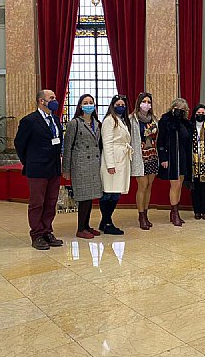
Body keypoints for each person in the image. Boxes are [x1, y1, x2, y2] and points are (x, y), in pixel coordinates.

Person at [14, 89, 64, 250]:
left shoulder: (56, 120)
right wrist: (29, 161)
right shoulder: (29, 121)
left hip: (54, 168)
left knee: (51, 202)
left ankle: (47, 231)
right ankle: (36, 234)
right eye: (51, 98)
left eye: (55, 97)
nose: (55, 100)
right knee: (37, 203)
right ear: (41, 101)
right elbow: (20, 144)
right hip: (37, 168)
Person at [62, 94, 103, 239]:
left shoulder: (97, 123)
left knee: (90, 197)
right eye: (85, 102)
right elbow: (67, 147)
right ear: (80, 106)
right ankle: (80, 228)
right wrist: (66, 169)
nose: (88, 105)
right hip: (80, 165)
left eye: (91, 102)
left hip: (94, 165)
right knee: (84, 197)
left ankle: (86, 226)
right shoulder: (74, 123)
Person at [99, 95, 131, 235]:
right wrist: (110, 164)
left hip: (122, 158)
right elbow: (107, 143)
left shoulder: (123, 120)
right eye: (117, 104)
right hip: (112, 160)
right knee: (108, 192)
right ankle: (107, 222)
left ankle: (105, 221)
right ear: (112, 105)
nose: (120, 106)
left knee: (116, 192)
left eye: (122, 104)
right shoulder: (109, 120)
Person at [158, 98, 192, 226]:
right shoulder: (165, 121)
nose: (180, 111)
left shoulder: (185, 123)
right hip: (171, 156)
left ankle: (175, 212)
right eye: (177, 108)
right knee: (175, 184)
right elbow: (160, 140)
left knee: (180, 184)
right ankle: (174, 212)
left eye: (183, 109)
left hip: (182, 156)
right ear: (172, 108)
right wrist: (163, 157)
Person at [130, 92, 158, 230]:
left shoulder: (154, 119)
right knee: (142, 185)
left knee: (149, 186)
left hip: (152, 155)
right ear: (139, 103)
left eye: (149, 102)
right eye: (144, 101)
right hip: (139, 156)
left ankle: (146, 214)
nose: (146, 104)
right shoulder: (132, 119)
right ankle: (141, 216)